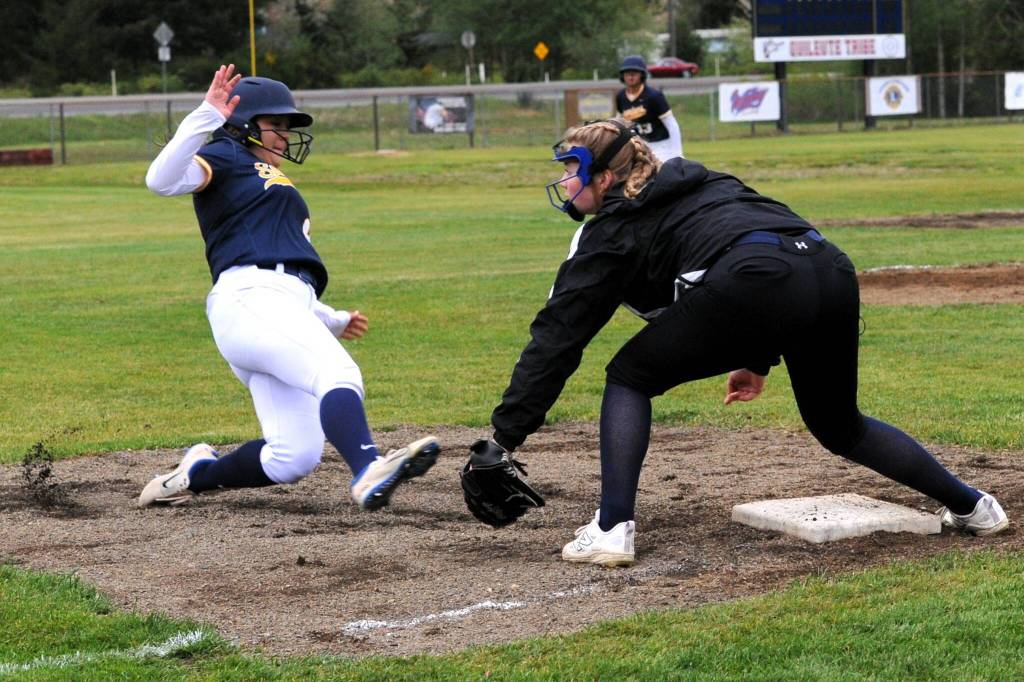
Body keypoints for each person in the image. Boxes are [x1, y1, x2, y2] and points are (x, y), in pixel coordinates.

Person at [464, 118, 1008, 567]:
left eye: (571, 169)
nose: (565, 182)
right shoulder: (707, 180)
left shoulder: (611, 230)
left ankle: (611, 528)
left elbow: (558, 337)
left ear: (604, 177)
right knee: (840, 424)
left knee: (630, 376)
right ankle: (975, 506)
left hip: (758, 278)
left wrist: (504, 438)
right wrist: (757, 357)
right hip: (830, 267)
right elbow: (763, 246)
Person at [139, 64, 439, 510]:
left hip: (271, 304)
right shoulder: (226, 155)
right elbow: (159, 180)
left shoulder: (270, 177)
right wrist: (206, 114)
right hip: (249, 299)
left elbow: (288, 276)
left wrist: (331, 317)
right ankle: (367, 468)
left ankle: (195, 474)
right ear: (241, 125)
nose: (283, 134)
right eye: (274, 124)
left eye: (286, 126)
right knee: (338, 374)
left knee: (293, 457)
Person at [615, 55, 683, 162]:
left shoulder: (654, 96)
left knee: (660, 175)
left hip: (661, 145)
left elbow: (671, 124)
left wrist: (678, 153)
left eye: (634, 73)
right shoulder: (621, 96)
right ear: (622, 76)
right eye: (627, 73)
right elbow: (619, 124)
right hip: (639, 146)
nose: (630, 77)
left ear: (642, 75)